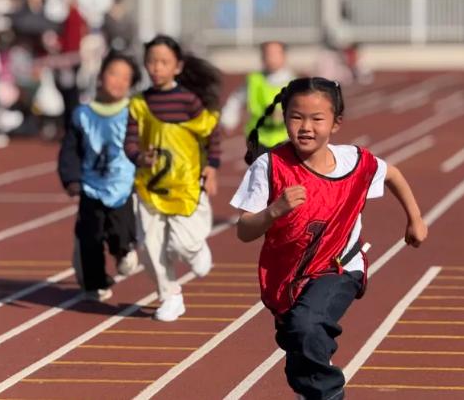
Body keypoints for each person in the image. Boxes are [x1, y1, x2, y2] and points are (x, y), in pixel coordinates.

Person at [230, 77, 427, 400]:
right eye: (296, 117)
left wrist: (415, 219)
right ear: (283, 118)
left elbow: (391, 173)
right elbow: (244, 230)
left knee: (307, 325)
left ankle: (327, 394)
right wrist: (274, 211)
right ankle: (311, 387)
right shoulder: (270, 166)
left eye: (316, 119)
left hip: (340, 266)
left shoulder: (355, 162)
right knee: (298, 335)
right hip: (287, 277)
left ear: (336, 123)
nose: (305, 127)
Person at [125, 34, 222, 322]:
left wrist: (212, 166)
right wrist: (139, 157)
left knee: (183, 243)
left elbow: (210, 133)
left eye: (163, 62)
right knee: (150, 247)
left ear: (177, 67)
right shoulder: (139, 104)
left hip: (186, 185)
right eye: (151, 62)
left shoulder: (189, 101)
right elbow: (130, 142)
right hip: (149, 187)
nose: (157, 68)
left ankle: (196, 250)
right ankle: (170, 296)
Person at [58, 51, 142, 301]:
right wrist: (71, 179)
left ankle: (123, 250)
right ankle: (95, 282)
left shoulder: (134, 112)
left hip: (123, 186)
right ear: (100, 77)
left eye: (125, 78)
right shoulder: (82, 114)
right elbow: (70, 151)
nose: (118, 81)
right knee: (89, 237)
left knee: (120, 231)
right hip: (91, 186)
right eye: (113, 73)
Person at [220, 41, 295, 150]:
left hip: (285, 138)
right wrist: (228, 120)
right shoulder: (253, 80)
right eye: (267, 54)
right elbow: (236, 99)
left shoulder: (293, 82)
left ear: (284, 56)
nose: (271, 58)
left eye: (275, 54)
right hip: (258, 138)